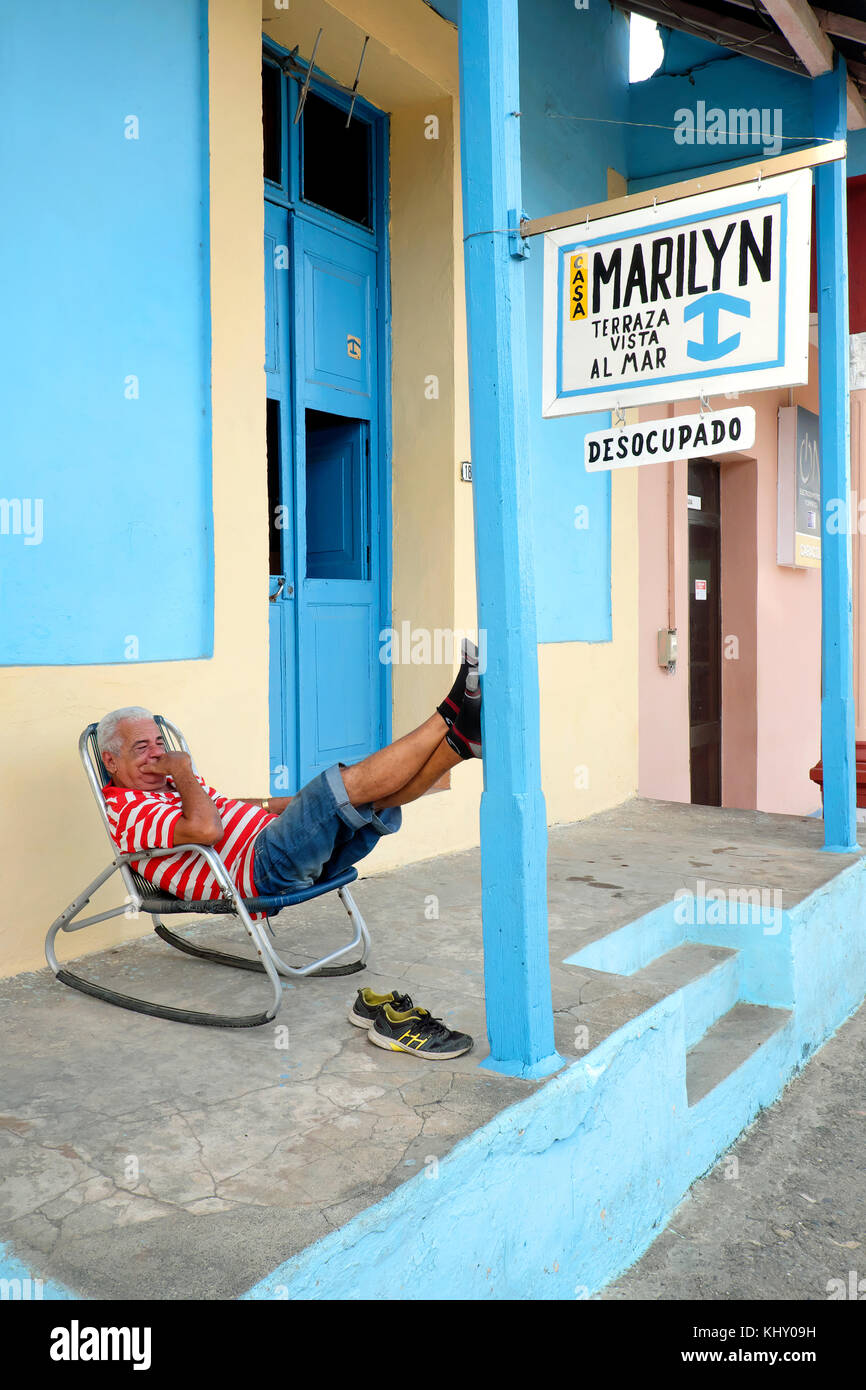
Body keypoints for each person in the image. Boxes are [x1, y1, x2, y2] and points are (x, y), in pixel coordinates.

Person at [97, 642, 481, 908]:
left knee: (374, 799)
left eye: (158, 743)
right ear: (111, 762)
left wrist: (285, 803)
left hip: (287, 852)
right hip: (261, 871)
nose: (157, 753)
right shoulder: (128, 810)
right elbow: (207, 829)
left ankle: (461, 744)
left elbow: (219, 808)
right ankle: (448, 715)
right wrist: (182, 768)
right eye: (141, 747)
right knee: (345, 785)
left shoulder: (170, 788)